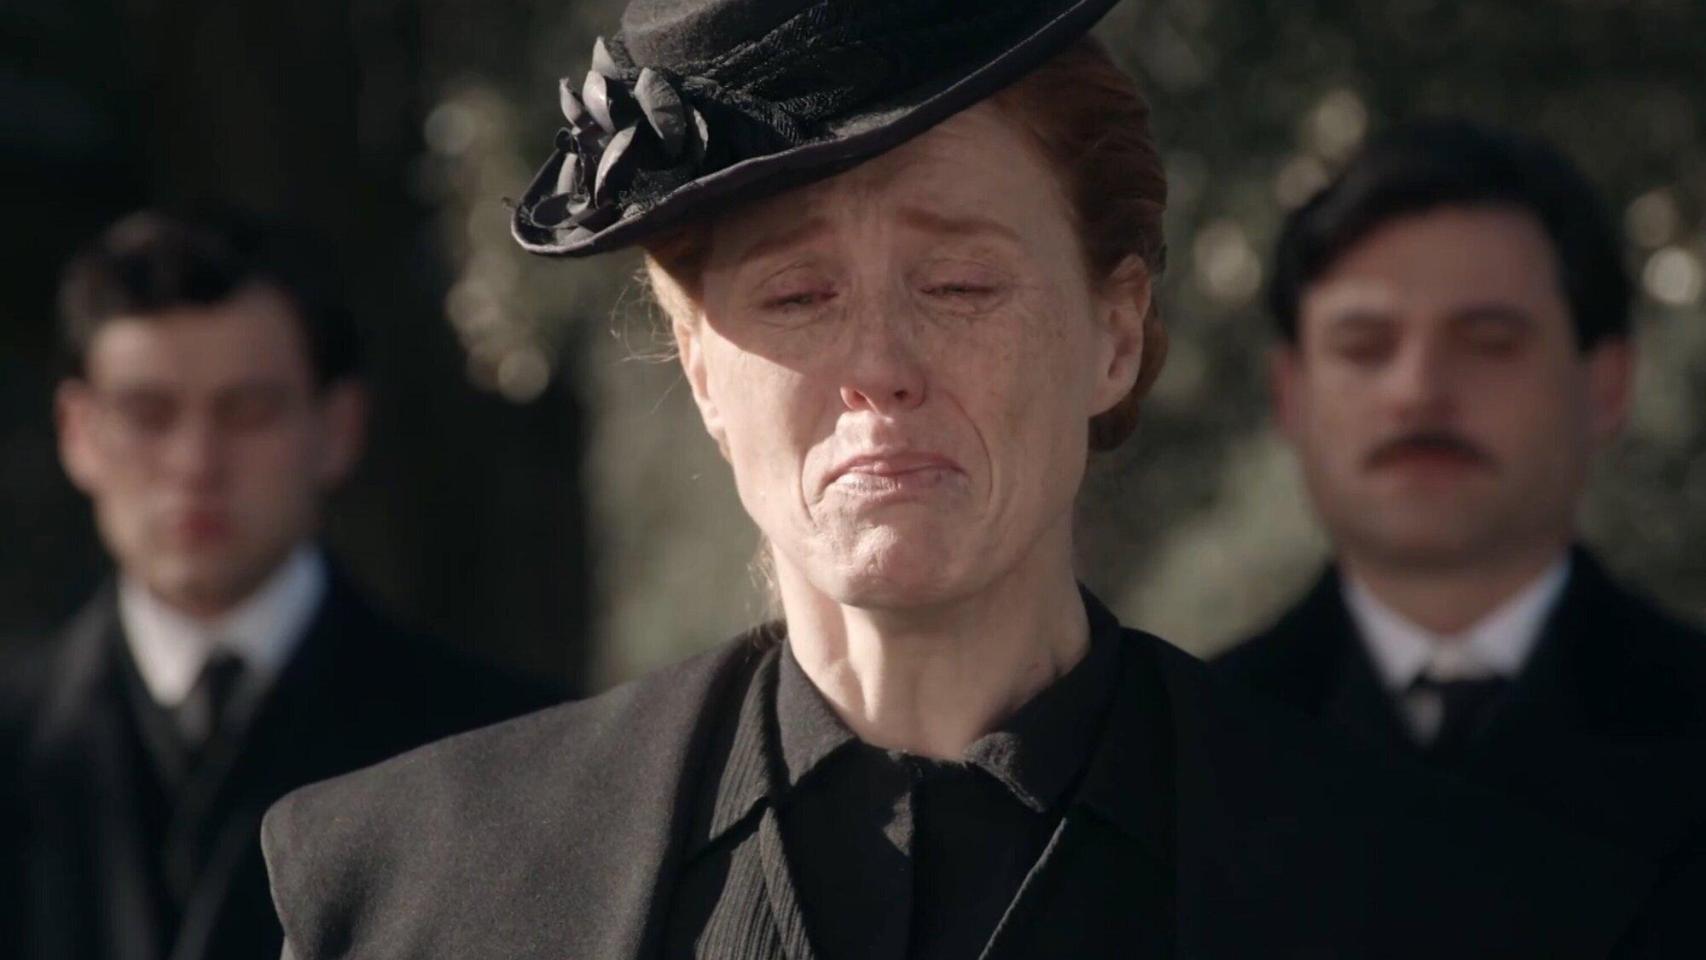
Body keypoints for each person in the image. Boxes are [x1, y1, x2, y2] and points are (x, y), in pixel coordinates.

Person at [262, 6, 1655, 958]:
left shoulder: (1460, 907)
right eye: (797, 294)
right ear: (699, 372)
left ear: (1114, 334)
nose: (878, 367)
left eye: (960, 283)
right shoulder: (404, 896)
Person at [0, 206, 559, 960]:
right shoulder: (17, 744)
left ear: (338, 427)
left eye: (248, 411)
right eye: (147, 413)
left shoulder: (506, 752)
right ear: (78, 432)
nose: (195, 463)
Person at [1213, 119, 1706, 946]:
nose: (1418, 389)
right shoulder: (1182, 759)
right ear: (1289, 393)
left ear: (1607, 386)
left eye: (1489, 342)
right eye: (1364, 346)